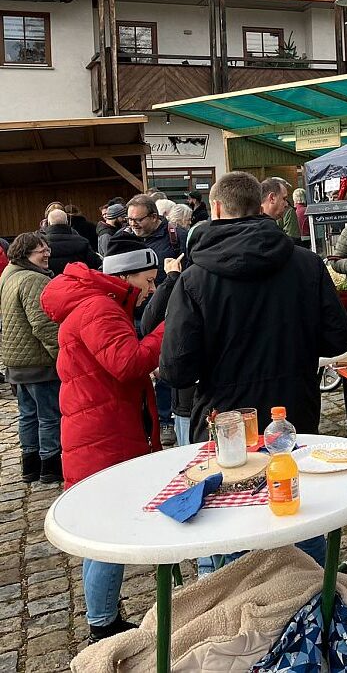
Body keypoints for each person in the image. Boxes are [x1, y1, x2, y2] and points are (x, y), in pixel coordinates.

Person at [159, 172, 347, 568]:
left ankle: (241, 614)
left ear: (215, 208)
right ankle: (311, 601)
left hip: (228, 419)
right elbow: (337, 341)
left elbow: (176, 369)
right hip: (292, 408)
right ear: (261, 203)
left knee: (230, 533)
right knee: (298, 515)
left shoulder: (194, 279)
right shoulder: (306, 264)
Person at [40, 236, 165, 642]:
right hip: (104, 433)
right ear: (126, 275)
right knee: (107, 532)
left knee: (99, 527)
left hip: (97, 426)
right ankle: (103, 623)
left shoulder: (94, 302)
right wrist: (168, 330)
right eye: (148, 280)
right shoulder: (100, 307)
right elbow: (127, 363)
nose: (150, 289)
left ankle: (101, 614)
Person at [122, 195, 188, 447]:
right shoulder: (126, 238)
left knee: (163, 369)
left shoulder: (176, 236)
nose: (133, 224)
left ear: (154, 217)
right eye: (129, 220)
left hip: (166, 315)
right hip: (135, 314)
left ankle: (165, 420)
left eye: (137, 219)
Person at [0, 233, 61, 484]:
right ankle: (50, 466)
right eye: (40, 251)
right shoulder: (33, 279)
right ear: (25, 254)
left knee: (27, 414)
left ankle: (30, 465)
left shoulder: (8, 275)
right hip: (38, 362)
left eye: (47, 249)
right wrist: (61, 356)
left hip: (16, 361)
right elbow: (43, 325)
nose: (47, 253)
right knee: (48, 416)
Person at [44, 208, 100, 275]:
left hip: (51, 282)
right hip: (77, 281)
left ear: (49, 223)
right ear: (67, 222)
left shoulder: (41, 244)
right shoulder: (82, 242)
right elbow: (96, 264)